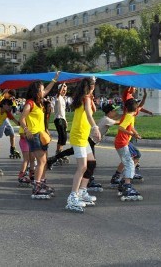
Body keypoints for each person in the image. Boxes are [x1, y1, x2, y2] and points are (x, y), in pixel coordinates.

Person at [46, 103, 120, 192]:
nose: (116, 112)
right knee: (91, 163)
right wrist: (128, 115)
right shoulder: (107, 119)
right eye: (114, 111)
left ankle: (53, 159)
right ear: (110, 112)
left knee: (72, 152)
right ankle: (89, 181)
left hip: (89, 140)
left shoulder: (107, 118)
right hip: (89, 141)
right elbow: (119, 122)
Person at [19, 72, 60, 199]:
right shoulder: (30, 103)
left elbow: (48, 89)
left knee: (44, 161)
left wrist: (54, 79)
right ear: (37, 91)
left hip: (41, 134)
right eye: (41, 89)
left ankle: (41, 183)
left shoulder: (39, 102)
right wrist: (26, 130)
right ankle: (36, 187)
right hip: (34, 135)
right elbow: (22, 119)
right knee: (41, 161)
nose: (43, 91)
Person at [64, 77, 101, 212]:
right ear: (91, 86)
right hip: (79, 135)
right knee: (82, 166)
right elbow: (89, 114)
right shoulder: (85, 98)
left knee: (91, 163)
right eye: (94, 85)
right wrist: (95, 128)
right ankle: (72, 197)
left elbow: (93, 110)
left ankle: (82, 191)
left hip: (83, 136)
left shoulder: (87, 97)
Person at [53, 82, 69, 164]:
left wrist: (65, 120)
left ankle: (60, 152)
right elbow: (59, 92)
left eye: (65, 90)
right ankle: (58, 153)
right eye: (63, 90)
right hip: (58, 119)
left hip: (62, 119)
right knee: (61, 136)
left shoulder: (63, 98)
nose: (64, 91)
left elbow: (63, 111)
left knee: (64, 137)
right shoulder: (57, 97)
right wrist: (63, 83)